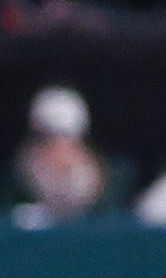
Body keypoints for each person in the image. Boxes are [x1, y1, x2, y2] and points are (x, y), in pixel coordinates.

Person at [8, 86, 117, 224]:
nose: (61, 154)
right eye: (49, 139)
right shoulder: (16, 189)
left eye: (68, 139)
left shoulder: (104, 208)